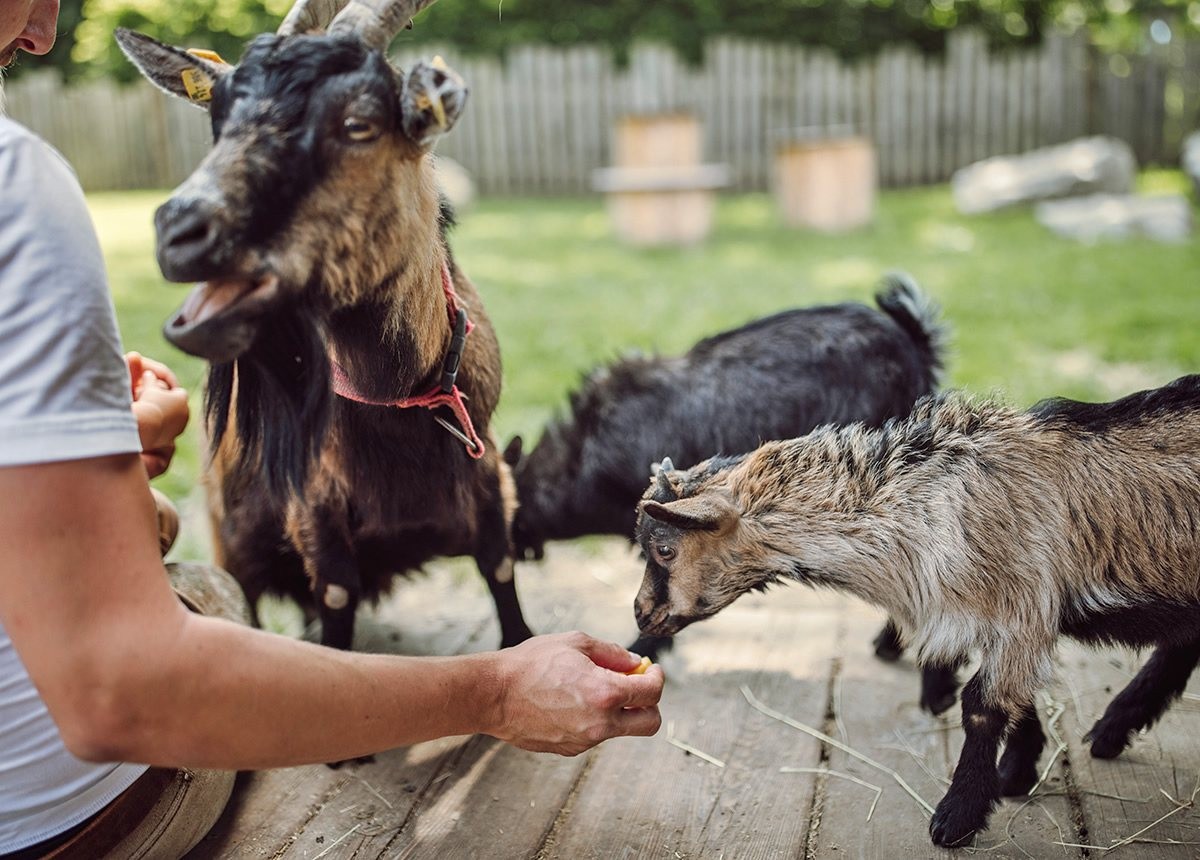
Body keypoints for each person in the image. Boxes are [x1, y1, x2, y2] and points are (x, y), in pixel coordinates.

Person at [0, 2, 664, 856]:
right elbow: (119, 696)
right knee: (215, 593)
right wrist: (496, 693)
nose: (46, 30)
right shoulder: (17, 187)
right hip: (71, 825)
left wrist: (106, 467)